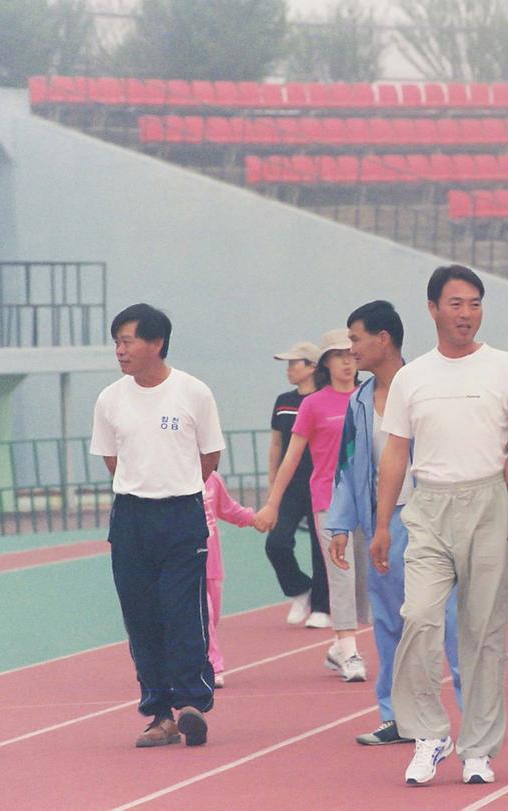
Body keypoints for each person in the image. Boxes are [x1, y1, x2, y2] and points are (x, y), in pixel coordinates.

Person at [371, 264, 508, 786]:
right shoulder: (412, 376)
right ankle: (428, 733)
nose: (466, 314)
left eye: (474, 303)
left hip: (490, 502)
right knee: (419, 617)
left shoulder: (504, 369)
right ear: (432, 309)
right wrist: (382, 524)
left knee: (483, 633)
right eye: (455, 304)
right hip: (428, 507)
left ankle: (478, 747)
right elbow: (395, 452)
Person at [327, 300, 461, 746]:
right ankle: (398, 716)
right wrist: (342, 524)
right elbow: (347, 465)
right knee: (389, 620)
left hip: (431, 519)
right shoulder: (360, 400)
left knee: (450, 617)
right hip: (382, 522)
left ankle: (472, 713)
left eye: (355, 339)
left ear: (383, 339)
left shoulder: (425, 386)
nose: (351, 351)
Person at [90, 303, 224, 748]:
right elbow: (113, 460)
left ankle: (191, 705)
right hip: (130, 517)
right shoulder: (110, 399)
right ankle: (159, 714)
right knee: (141, 617)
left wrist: (176, 487)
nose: (120, 351)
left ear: (157, 343)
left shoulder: (193, 393)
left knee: (183, 613)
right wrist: (143, 487)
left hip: (181, 514)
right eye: (116, 343)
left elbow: (210, 457)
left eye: (126, 341)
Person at [256, 329, 368, 682]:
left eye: (352, 354)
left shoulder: (371, 397)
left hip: (369, 500)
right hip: (329, 501)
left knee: (368, 581)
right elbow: (289, 459)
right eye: (338, 355)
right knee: (342, 574)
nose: (347, 362)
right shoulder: (314, 404)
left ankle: (338, 649)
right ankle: (348, 648)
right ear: (326, 363)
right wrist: (272, 503)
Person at [267, 341, 331, 627]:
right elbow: (276, 445)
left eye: (295, 363)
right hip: (290, 486)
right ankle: (299, 589)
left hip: (320, 483)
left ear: (313, 367)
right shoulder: (282, 401)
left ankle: (321, 607)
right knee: (276, 543)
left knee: (321, 548)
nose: (289, 369)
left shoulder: (325, 400)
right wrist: (273, 488)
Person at [201, 471, 256, 688]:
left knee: (213, 617)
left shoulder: (213, 479)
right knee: (204, 614)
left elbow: (228, 509)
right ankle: (214, 665)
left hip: (213, 564)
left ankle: (197, 659)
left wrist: (252, 518)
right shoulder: (175, 477)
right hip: (187, 562)